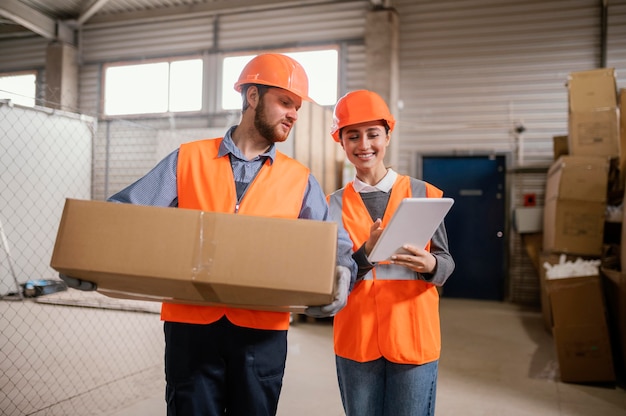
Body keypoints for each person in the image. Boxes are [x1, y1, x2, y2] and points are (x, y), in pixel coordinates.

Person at [61, 53, 357, 416]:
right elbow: (124, 213)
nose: (294, 113)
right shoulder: (187, 160)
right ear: (252, 97)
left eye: (296, 106)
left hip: (262, 329)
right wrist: (87, 258)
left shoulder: (299, 178)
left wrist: (342, 273)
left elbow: (336, 243)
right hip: (191, 326)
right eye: (285, 102)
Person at [326, 89, 455, 416]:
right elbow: (328, 280)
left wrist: (431, 265)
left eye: (373, 134)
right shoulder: (332, 205)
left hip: (413, 336)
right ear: (341, 142)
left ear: (388, 136)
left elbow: (446, 263)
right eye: (353, 136)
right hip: (358, 339)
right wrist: (365, 254)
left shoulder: (423, 193)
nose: (364, 145)